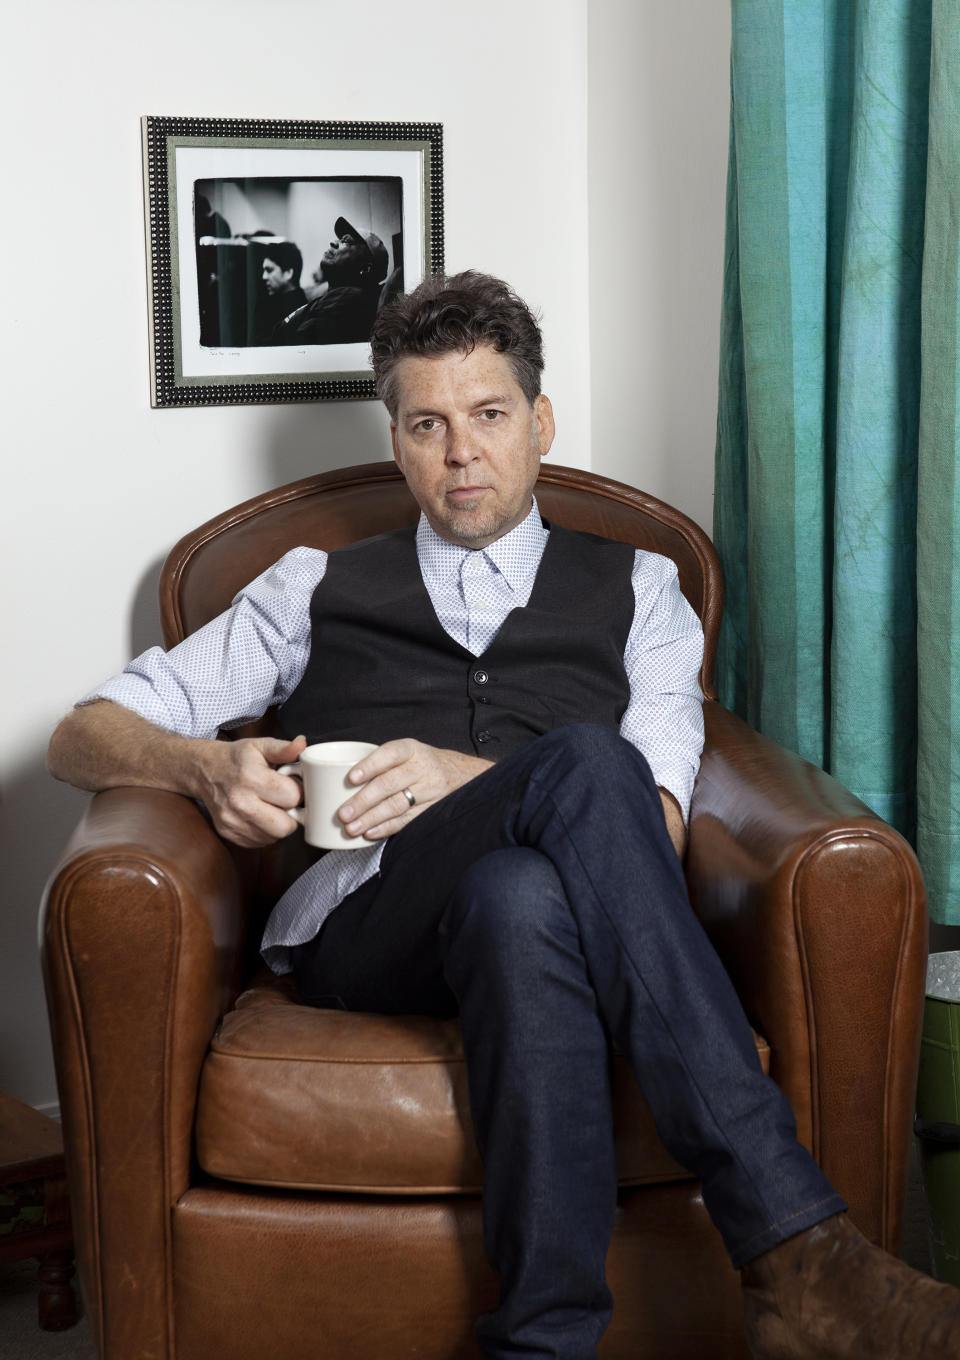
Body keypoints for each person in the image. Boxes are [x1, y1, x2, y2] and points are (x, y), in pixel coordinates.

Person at [47, 271, 960, 1360]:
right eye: (427, 424)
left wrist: (463, 775)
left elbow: (657, 823)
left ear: (540, 423)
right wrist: (201, 769)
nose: (460, 452)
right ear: (397, 442)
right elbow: (83, 732)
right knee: (578, 763)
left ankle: (542, 1340)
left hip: (546, 922)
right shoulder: (308, 586)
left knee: (520, 891)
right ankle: (799, 1254)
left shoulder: (642, 589)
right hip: (366, 932)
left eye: (487, 416)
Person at [273, 215, 388, 345]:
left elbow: (301, 346)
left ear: (366, 268)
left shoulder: (349, 300)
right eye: (339, 238)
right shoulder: (332, 295)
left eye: (346, 241)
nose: (333, 242)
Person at [253, 239, 307, 343]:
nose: (264, 277)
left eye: (269, 270)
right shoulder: (272, 304)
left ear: (288, 273)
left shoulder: (299, 311)